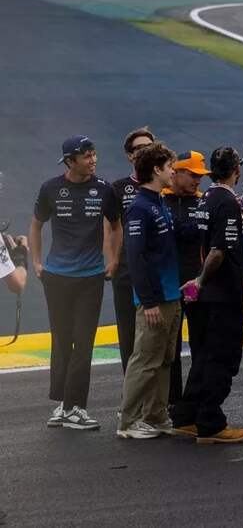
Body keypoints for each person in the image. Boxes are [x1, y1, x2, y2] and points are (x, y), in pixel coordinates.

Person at [173, 148, 243, 444]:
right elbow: (218, 250)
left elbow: (242, 217)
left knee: (202, 357)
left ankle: (186, 417)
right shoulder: (225, 203)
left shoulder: (209, 199)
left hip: (204, 296)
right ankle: (211, 423)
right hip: (221, 295)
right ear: (236, 169)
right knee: (221, 359)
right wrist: (201, 280)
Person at [29, 136, 121, 430]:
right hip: (57, 277)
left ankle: (73, 407)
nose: (93, 160)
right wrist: (37, 262)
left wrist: (114, 260)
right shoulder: (50, 188)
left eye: (94, 154)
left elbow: (116, 225)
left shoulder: (105, 189)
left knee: (83, 343)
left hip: (90, 277)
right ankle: (64, 404)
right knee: (61, 341)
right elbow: (36, 224)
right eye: (86, 156)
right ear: (70, 161)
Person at [117, 143, 183, 440]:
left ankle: (155, 415)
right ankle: (128, 422)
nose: (173, 172)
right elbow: (135, 258)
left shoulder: (159, 203)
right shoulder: (140, 208)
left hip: (171, 295)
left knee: (165, 359)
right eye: (170, 167)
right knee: (145, 360)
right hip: (155, 300)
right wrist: (149, 301)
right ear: (157, 170)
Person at [162, 151, 210, 405]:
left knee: (200, 341)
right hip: (169, 286)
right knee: (171, 346)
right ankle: (172, 401)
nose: (197, 181)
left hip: (194, 285)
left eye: (200, 176)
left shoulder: (203, 203)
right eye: (192, 175)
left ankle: (197, 399)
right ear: (176, 172)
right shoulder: (160, 200)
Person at [111, 127, 156, 372]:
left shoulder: (164, 184)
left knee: (157, 339)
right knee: (128, 335)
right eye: (139, 148)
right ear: (130, 155)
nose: (145, 151)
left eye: (149, 145)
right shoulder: (118, 188)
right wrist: (112, 264)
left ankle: (160, 402)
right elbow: (109, 230)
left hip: (157, 273)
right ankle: (129, 401)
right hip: (127, 274)